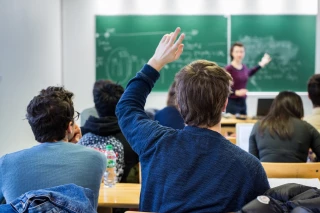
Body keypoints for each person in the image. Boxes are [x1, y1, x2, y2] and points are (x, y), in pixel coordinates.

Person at [116, 27, 269, 212]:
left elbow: (126, 107)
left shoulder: (154, 143)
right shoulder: (250, 169)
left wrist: (155, 63)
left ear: (179, 104)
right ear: (225, 104)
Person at [0, 86, 106, 204]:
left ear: (34, 127)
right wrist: (73, 146)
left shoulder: (5, 163)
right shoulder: (96, 159)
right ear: (69, 126)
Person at [79, 80, 139, 183]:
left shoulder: (80, 137)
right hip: (123, 197)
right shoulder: (133, 140)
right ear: (121, 104)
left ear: (96, 105)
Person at [249, 91, 320, 162]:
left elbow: (252, 163)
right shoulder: (307, 127)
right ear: (298, 107)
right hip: (298, 172)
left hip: (266, 172)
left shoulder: (259, 126)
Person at [225, 42, 272, 115]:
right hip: (232, 103)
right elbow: (223, 87)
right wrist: (236, 92)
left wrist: (261, 64)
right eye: (237, 52)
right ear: (232, 53)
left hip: (243, 102)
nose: (239, 54)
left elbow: (250, 73)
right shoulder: (228, 69)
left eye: (241, 51)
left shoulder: (244, 67)